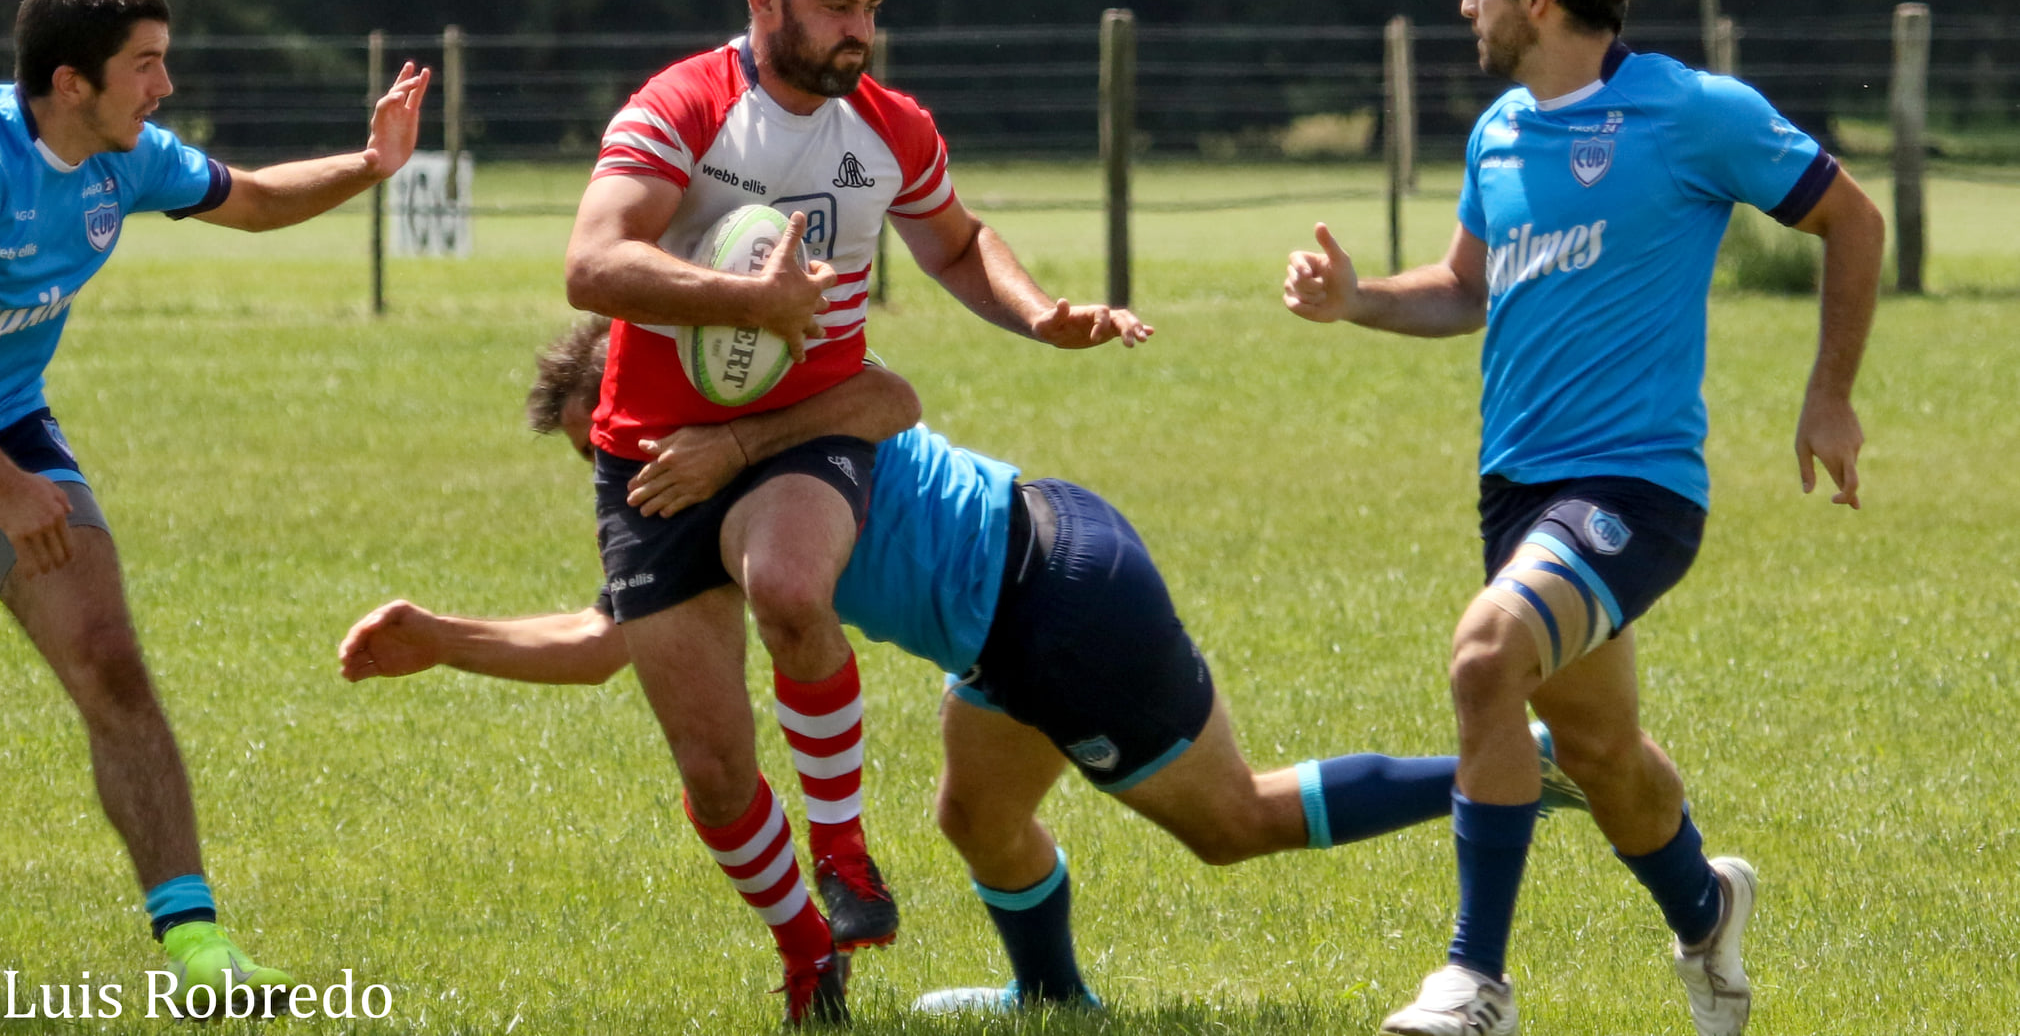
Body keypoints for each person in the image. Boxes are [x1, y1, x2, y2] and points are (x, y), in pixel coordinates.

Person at [340, 320, 1587, 1021]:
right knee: (975, 812)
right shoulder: (691, 494)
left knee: (1232, 821)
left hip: (1055, 598)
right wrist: (443, 637)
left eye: (626, 447)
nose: (628, 482)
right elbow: (624, 640)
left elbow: (627, 634)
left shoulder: (754, 427)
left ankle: (1521, 763)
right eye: (604, 464)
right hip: (1011, 601)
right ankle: (1053, 998)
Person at [1283, 0, 1883, 1036]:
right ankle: (1708, 907)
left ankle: (1475, 979)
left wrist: (1829, 394)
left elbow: (1849, 215)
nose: (1466, 6)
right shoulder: (1500, 131)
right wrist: (1357, 299)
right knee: (1605, 752)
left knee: (1483, 655)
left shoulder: (1692, 112)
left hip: (1635, 488)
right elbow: (1463, 289)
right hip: (1516, 490)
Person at [561, 0, 1147, 1021]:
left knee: (788, 583)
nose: (858, 32)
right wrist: (745, 300)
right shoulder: (683, 105)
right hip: (648, 451)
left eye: (870, 7)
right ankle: (803, 947)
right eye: (834, 5)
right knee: (716, 769)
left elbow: (961, 245)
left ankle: (846, 851)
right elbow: (592, 263)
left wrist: (1040, 313)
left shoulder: (888, 126)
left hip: (812, 431)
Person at [0, 0, 430, 1011]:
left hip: (12, 421)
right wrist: (4, 486)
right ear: (70, 81)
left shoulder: (122, 160)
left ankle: (199, 948)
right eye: (145, 66)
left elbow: (255, 196)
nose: (165, 87)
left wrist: (374, 162)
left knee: (111, 663)